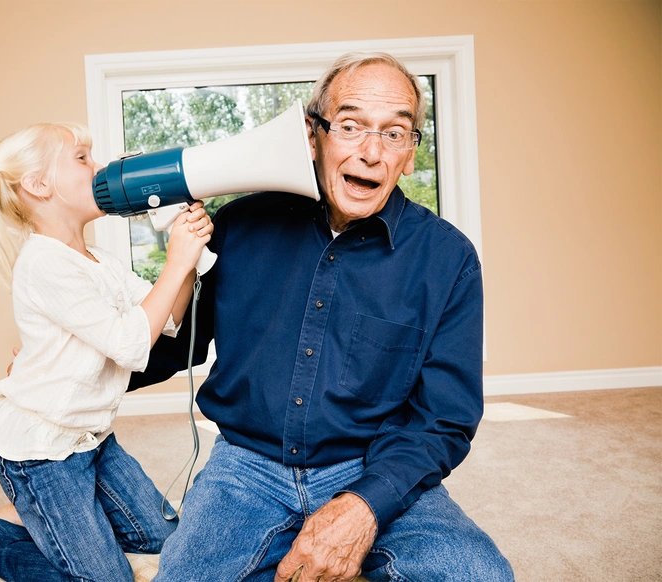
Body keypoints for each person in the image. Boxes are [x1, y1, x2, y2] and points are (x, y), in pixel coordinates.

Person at [128, 52, 515, 581]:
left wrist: (365, 505)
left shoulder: (448, 259)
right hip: (245, 465)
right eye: (351, 126)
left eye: (395, 134)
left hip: (373, 463)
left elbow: (443, 419)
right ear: (314, 135)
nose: (372, 152)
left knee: (478, 575)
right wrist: (77, 366)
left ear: (410, 154)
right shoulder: (240, 224)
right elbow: (179, 343)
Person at [0, 122, 213, 581]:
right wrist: (176, 262)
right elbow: (130, 345)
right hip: (40, 451)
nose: (100, 166)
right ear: (38, 185)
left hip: (91, 438)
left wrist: (184, 256)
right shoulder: (43, 262)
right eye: (82, 157)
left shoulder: (98, 262)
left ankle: (53, 525)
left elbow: (165, 322)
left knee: (167, 540)